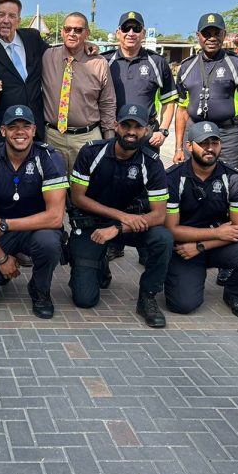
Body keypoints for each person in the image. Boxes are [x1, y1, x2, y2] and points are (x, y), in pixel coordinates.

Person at [68, 103, 173, 327]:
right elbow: (78, 198)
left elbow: (159, 215)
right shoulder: (91, 152)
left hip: (127, 226)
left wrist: (118, 226)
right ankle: (99, 262)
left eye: (138, 127)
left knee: (162, 238)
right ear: (116, 126)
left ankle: (148, 297)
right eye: (126, 125)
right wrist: (119, 216)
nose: (131, 132)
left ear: (147, 130)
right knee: (85, 299)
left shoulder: (152, 163)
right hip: (92, 225)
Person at [0, 105, 67, 318]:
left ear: (34, 130)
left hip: (36, 229)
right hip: (2, 234)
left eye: (25, 126)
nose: (20, 132)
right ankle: (3, 268)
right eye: (13, 127)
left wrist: (7, 223)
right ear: (3, 131)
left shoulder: (49, 158)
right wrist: (1, 258)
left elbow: (55, 217)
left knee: (49, 242)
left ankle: (40, 290)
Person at [163, 121, 238, 318]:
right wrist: (215, 232)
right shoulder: (172, 177)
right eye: (203, 143)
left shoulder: (233, 179)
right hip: (184, 249)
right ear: (189, 146)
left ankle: (234, 293)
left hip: (217, 245)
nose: (209, 148)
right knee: (183, 304)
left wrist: (201, 245)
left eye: (214, 143)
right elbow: (171, 229)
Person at [174, 12, 238, 170]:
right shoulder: (187, 67)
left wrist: (228, 113)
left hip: (226, 134)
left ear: (224, 34)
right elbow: (181, 110)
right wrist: (179, 148)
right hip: (195, 130)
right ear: (198, 36)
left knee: (229, 179)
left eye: (217, 33)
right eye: (207, 34)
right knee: (191, 179)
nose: (212, 38)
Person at [41, 12, 117, 173]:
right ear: (61, 31)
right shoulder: (48, 56)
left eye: (78, 30)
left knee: (86, 190)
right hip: (53, 137)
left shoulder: (99, 63)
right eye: (68, 29)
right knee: (54, 190)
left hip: (87, 138)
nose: (72, 34)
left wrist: (109, 142)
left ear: (87, 33)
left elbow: (108, 103)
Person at [0, 0, 52, 145]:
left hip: (35, 131)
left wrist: (85, 46)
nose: (6, 20)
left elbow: (56, 56)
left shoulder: (33, 38)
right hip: (3, 132)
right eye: (1, 15)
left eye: (12, 16)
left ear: (18, 20)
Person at [102, 11, 178, 151]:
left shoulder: (157, 62)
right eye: (126, 28)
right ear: (118, 33)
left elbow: (169, 100)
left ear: (143, 33)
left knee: (147, 172)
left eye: (136, 29)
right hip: (111, 132)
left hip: (145, 133)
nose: (131, 33)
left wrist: (163, 131)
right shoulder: (104, 61)